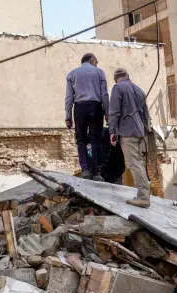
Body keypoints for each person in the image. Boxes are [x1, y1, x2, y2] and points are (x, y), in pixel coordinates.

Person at [109, 67, 152, 208]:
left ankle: (144, 197)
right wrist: (144, 130)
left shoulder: (117, 88)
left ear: (116, 79)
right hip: (140, 132)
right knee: (139, 163)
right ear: (128, 76)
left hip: (127, 132)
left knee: (134, 164)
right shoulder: (139, 90)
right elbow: (146, 115)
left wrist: (112, 131)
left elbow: (114, 112)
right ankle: (142, 195)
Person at [65, 53, 110, 181]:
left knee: (81, 139)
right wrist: (107, 112)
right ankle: (96, 172)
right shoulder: (99, 73)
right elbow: (104, 94)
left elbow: (69, 97)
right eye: (96, 61)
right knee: (95, 139)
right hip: (96, 107)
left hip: (79, 108)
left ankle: (85, 169)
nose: (97, 64)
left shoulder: (72, 74)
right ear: (91, 60)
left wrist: (68, 116)